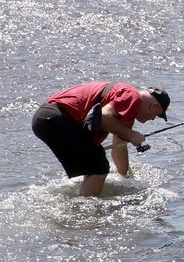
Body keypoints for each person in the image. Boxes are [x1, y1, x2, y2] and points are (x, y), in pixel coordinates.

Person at [32, 82, 170, 196]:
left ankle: (82, 204)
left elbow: (119, 146)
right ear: (154, 106)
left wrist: (125, 179)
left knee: (94, 164)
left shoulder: (125, 110)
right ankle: (87, 217)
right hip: (55, 118)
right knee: (99, 167)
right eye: (156, 116)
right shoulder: (133, 97)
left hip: (45, 118)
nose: (152, 119)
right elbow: (104, 117)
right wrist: (132, 135)